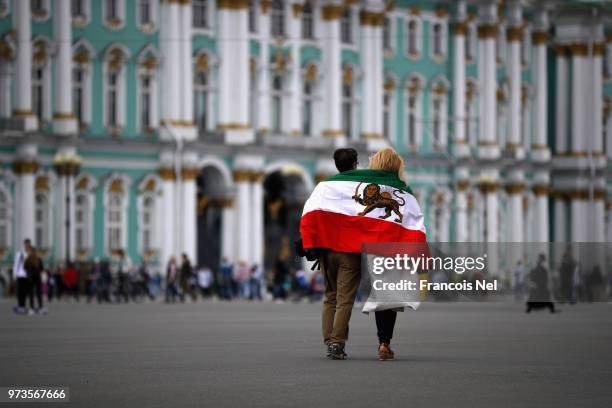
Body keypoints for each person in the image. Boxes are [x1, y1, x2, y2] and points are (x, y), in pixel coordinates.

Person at [12, 239, 32, 314]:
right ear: (24, 244)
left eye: (28, 244)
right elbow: (16, 264)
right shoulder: (20, 253)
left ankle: (23, 306)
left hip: (28, 275)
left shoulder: (30, 253)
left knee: (25, 291)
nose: (27, 245)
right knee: (20, 291)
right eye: (26, 244)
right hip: (20, 275)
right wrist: (14, 275)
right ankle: (20, 306)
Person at [24, 245, 45, 313]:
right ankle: (40, 307)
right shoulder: (38, 259)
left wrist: (28, 272)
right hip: (36, 277)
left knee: (32, 293)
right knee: (38, 293)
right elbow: (42, 268)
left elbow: (25, 268)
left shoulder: (28, 259)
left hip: (31, 278)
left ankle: (32, 308)